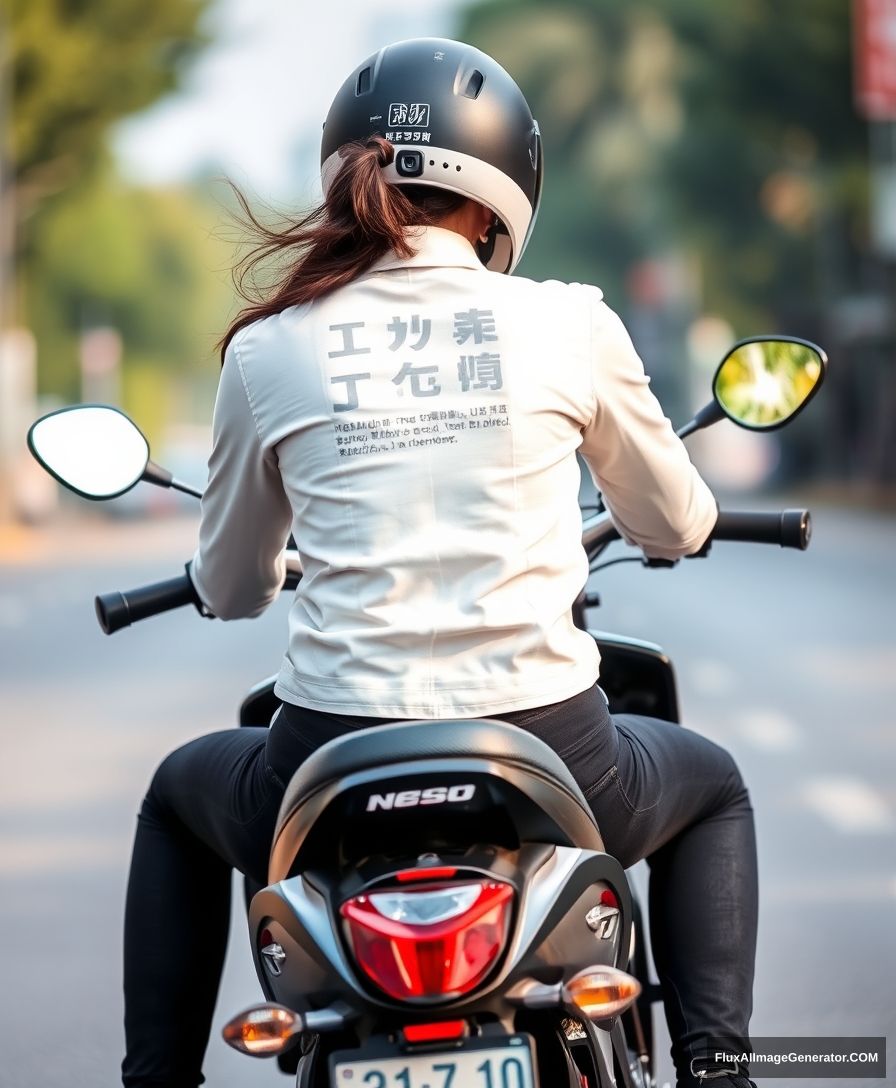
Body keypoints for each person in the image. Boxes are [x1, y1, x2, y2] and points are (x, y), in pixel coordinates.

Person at [121, 37, 758, 1088]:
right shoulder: (567, 321)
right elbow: (675, 521)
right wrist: (661, 524)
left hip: (325, 755)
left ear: (340, 179)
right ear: (503, 186)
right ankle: (718, 1071)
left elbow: (232, 585)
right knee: (714, 785)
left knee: (175, 795)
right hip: (550, 741)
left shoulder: (268, 346)